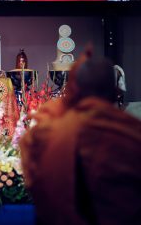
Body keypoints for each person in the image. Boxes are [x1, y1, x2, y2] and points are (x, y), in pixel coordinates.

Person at [19, 50, 141, 225]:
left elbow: (34, 182)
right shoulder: (132, 131)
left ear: (74, 90)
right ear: (116, 92)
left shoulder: (46, 132)